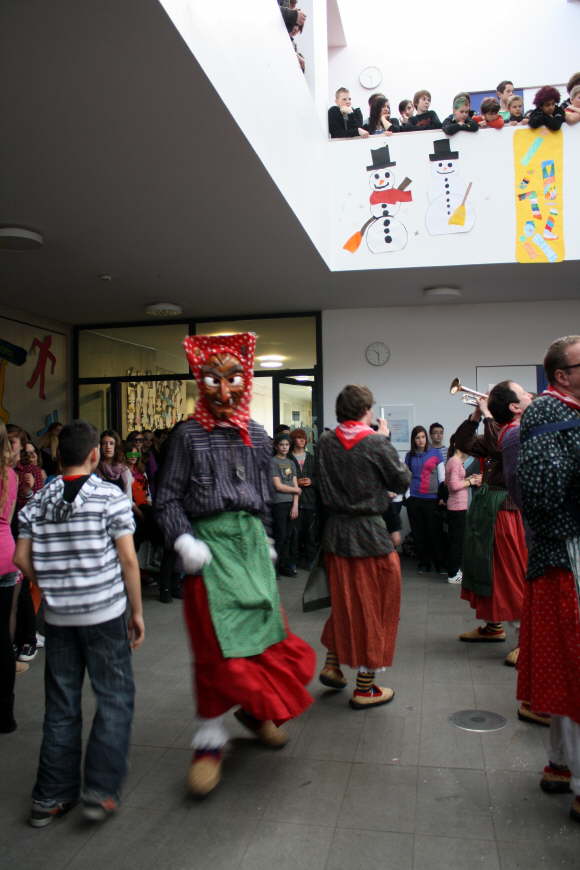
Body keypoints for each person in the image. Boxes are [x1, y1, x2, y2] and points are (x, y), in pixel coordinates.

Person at [154, 332, 315, 796]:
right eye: (213, 380)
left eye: (232, 380)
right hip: (209, 551)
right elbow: (167, 498)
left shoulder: (259, 435)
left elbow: (262, 494)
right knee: (214, 648)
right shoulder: (187, 435)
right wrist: (183, 539)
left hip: (250, 549)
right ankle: (209, 741)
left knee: (265, 638)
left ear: (246, 382)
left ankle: (256, 711)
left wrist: (265, 536)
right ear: (201, 383)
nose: (224, 392)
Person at [14, 420, 144, 826]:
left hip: (58, 618)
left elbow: (20, 559)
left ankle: (51, 797)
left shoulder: (38, 500)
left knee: (61, 704)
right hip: (104, 615)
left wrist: (50, 582)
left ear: (58, 456)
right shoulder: (109, 496)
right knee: (114, 698)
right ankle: (100, 792)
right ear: (93, 455)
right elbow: (128, 560)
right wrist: (137, 613)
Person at [517, 335, 580, 823]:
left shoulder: (553, 413)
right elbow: (540, 492)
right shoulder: (547, 413)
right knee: (574, 665)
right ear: (562, 375)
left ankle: (562, 764)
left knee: (567, 666)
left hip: (560, 553)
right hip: (566, 554)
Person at [315, 385, 410, 708]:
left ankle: (332, 663)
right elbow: (401, 480)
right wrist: (384, 440)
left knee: (345, 602)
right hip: (369, 534)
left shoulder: (325, 442)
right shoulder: (374, 442)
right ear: (367, 411)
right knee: (376, 606)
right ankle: (365, 688)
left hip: (336, 532)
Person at [453, 383, 539, 693]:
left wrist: (489, 416)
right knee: (487, 570)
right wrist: (476, 417)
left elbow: (499, 446)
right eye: (523, 391)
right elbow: (461, 443)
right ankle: (493, 625)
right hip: (490, 507)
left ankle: (526, 642)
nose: (528, 394)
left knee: (510, 575)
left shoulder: (519, 429)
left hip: (507, 509)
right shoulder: (498, 428)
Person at [0, 421, 20, 732]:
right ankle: (5, 715)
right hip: (6, 554)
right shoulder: (11, 475)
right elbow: (10, 517)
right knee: (3, 636)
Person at [404, 425, 445, 573]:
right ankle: (424, 563)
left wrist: (442, 497)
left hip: (432, 499)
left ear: (426, 438)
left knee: (435, 533)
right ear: (413, 440)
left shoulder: (436, 453)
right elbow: (406, 477)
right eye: (417, 438)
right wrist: (408, 496)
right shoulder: (409, 456)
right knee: (418, 533)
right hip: (414, 499)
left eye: (422, 437)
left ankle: (440, 564)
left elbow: (442, 478)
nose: (421, 440)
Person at [445, 435, 482, 584]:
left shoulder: (453, 461)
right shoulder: (455, 462)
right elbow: (453, 486)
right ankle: (453, 574)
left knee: (457, 540)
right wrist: (470, 481)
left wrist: (468, 479)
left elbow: (451, 482)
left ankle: (455, 571)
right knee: (457, 542)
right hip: (457, 507)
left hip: (457, 506)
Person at [271, 432, 300, 577]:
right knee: (280, 536)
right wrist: (296, 490)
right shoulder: (273, 462)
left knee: (289, 536)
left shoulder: (291, 462)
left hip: (291, 503)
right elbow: (278, 486)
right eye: (281, 444)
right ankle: (274, 569)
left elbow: (295, 484)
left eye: (287, 444)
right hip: (278, 503)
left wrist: (295, 505)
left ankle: (284, 566)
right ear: (276, 446)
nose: (284, 447)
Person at [289, 427, 318, 569]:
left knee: (310, 532)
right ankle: (293, 561)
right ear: (293, 440)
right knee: (294, 533)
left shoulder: (312, 458)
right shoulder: (288, 458)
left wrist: (312, 481)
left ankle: (310, 560)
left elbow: (321, 478)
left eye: (303, 438)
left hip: (310, 499)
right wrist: (295, 483)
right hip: (292, 501)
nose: (301, 441)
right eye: (298, 438)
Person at [96, 430, 132, 499]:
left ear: (116, 446)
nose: (108, 446)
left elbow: (128, 497)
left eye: (111, 443)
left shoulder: (124, 470)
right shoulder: (95, 468)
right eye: (104, 443)